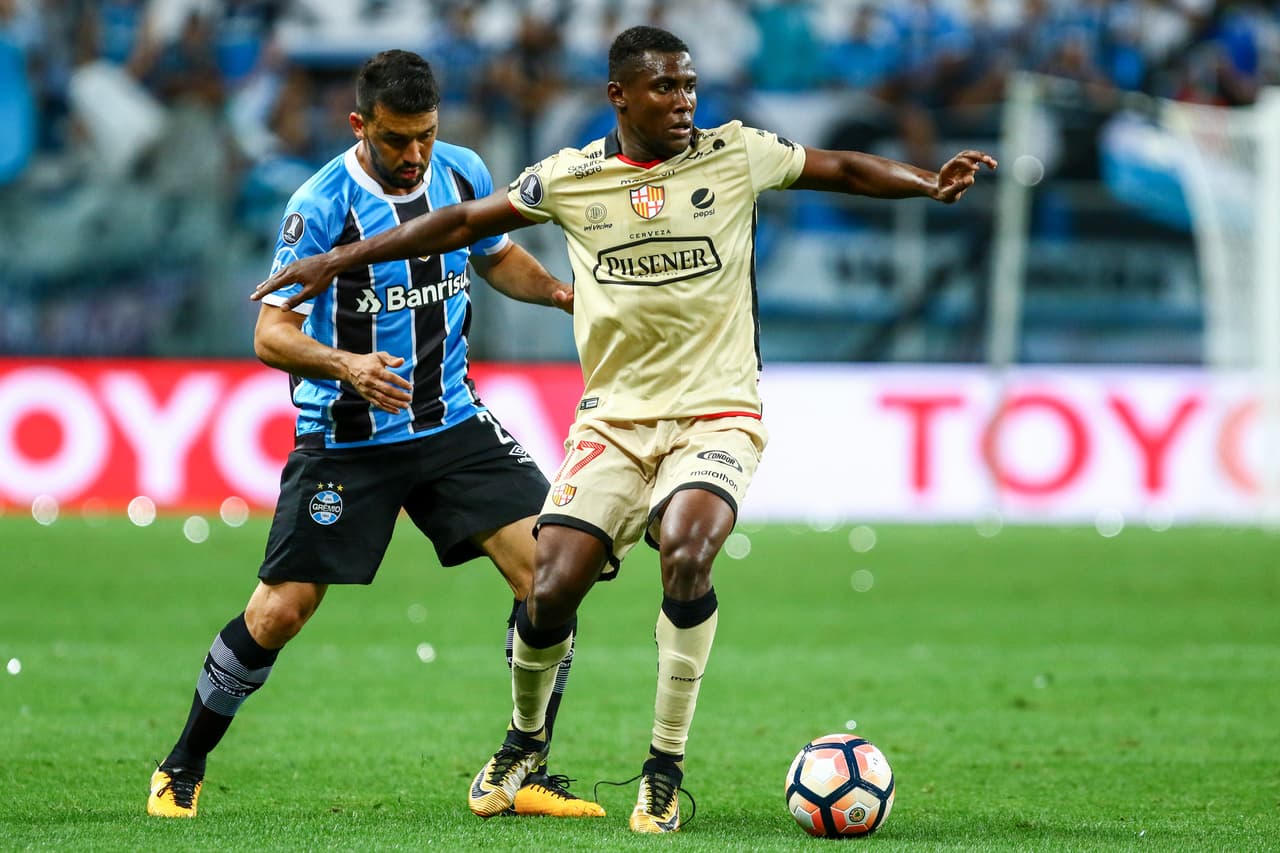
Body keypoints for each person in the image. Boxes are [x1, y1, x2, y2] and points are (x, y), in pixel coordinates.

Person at [252, 26, 996, 833]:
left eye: (689, 85)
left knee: (688, 548)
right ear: (619, 95)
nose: (684, 101)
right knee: (550, 586)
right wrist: (338, 260)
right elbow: (461, 221)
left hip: (717, 411)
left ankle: (663, 769)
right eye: (665, 87)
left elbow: (840, 168)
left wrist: (927, 181)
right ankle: (523, 743)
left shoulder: (735, 153)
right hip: (612, 420)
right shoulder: (571, 177)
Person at [146, 49, 604, 821]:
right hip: (348, 437)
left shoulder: (461, 172)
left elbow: (495, 256)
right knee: (280, 611)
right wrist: (346, 364)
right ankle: (180, 764)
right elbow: (269, 331)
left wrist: (561, 294)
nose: (415, 153)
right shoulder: (321, 204)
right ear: (360, 124)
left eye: (426, 133)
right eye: (397, 138)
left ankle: (520, 766)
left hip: (451, 421)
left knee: (552, 575)